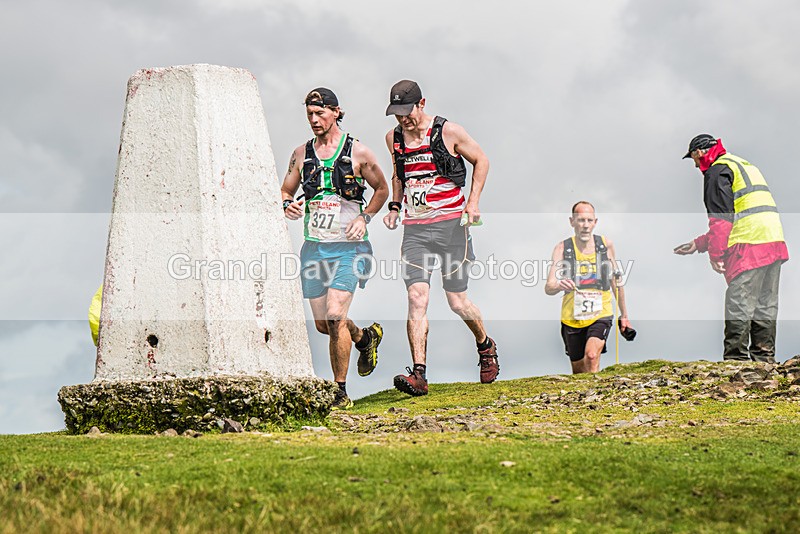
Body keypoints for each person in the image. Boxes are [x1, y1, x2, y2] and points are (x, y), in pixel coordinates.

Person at [382, 79, 499, 396]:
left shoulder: (448, 131)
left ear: (421, 104)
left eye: (407, 112)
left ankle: (485, 345)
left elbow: (482, 160)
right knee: (416, 298)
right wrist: (394, 206)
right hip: (415, 228)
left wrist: (473, 202)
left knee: (457, 302)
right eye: (397, 114)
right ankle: (418, 375)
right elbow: (397, 174)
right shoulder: (394, 138)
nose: (403, 119)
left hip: (450, 226)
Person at [281, 87, 389, 409]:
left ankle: (339, 392)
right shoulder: (301, 154)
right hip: (314, 248)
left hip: (348, 248)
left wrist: (365, 217)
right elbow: (286, 190)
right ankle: (364, 338)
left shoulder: (359, 153)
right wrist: (287, 205)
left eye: (320, 114)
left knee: (335, 315)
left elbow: (382, 189)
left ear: (336, 112)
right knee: (323, 325)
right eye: (310, 115)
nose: (314, 120)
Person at [674, 134, 788, 362]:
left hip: (749, 243)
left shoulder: (716, 171)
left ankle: (735, 361)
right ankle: (764, 360)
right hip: (773, 240)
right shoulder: (741, 164)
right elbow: (743, 213)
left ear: (699, 153)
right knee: (765, 304)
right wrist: (698, 244)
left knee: (739, 303)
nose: (696, 166)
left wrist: (715, 255)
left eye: (694, 160)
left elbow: (722, 221)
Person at [544, 201, 632, 373]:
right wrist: (559, 285)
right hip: (572, 317)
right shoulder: (562, 248)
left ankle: (595, 399)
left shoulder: (605, 245)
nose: (585, 225)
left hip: (601, 312)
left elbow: (616, 281)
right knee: (579, 371)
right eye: (581, 220)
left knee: (591, 356)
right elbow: (549, 286)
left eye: (589, 221)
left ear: (595, 222)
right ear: (572, 222)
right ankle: (583, 398)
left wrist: (625, 315)